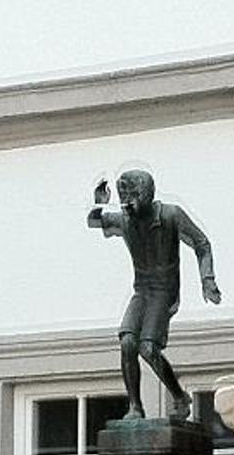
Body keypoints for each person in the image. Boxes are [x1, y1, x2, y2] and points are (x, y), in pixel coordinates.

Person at [87, 169, 221, 419]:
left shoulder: (170, 215)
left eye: (133, 196)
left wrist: (207, 279)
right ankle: (135, 407)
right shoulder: (125, 219)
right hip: (142, 289)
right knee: (127, 342)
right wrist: (99, 203)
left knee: (148, 348)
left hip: (164, 291)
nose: (128, 203)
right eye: (124, 197)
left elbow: (201, 243)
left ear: (147, 194)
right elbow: (95, 222)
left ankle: (179, 396)